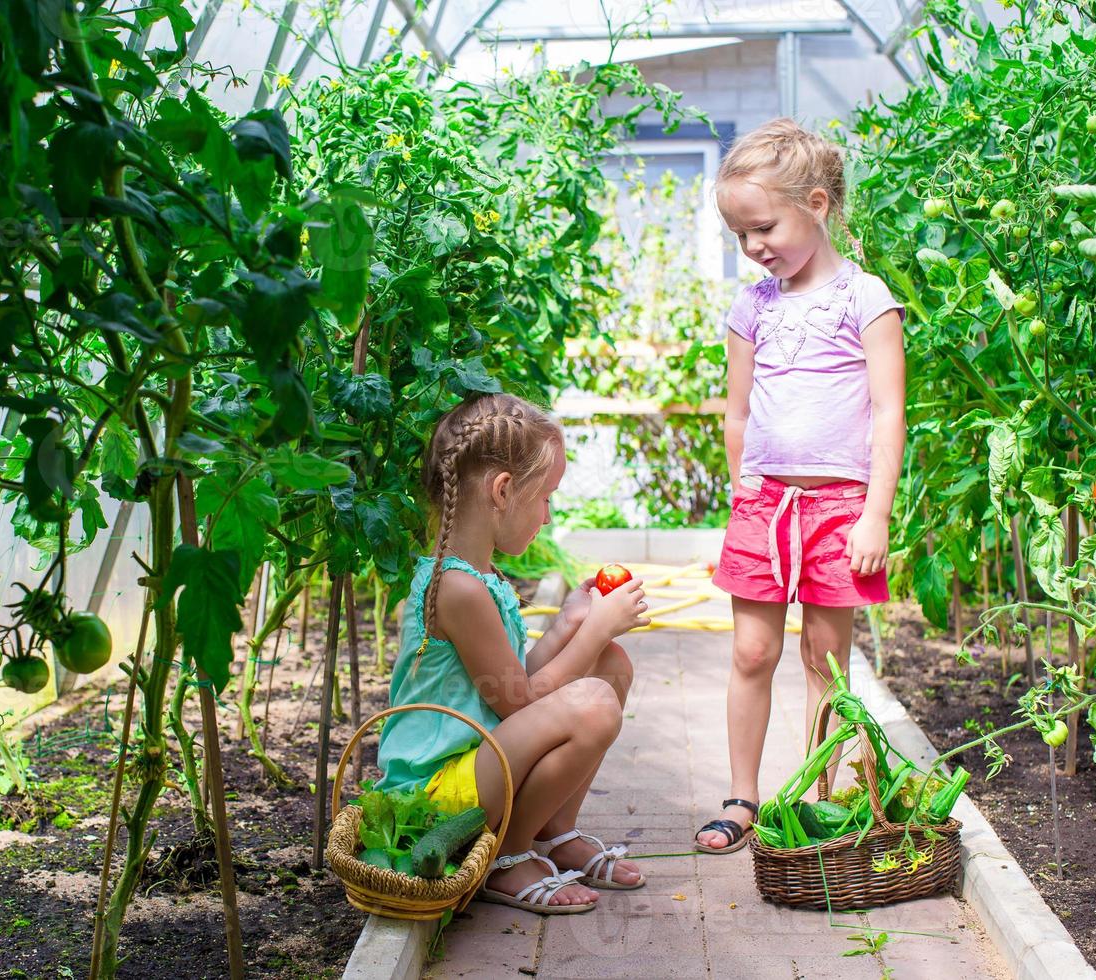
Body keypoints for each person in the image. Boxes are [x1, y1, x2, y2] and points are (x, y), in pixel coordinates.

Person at [695, 118, 907, 853]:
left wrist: (874, 515)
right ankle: (741, 797)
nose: (753, 247)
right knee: (752, 653)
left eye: (762, 227)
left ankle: (827, 799)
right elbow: (738, 409)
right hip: (763, 505)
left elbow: (888, 413)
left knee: (825, 659)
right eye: (740, 235)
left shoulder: (865, 298)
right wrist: (738, 494)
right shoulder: (754, 306)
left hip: (839, 510)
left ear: (816, 203)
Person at [375, 393, 649, 913]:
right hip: (438, 796)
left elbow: (508, 685)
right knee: (591, 700)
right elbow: (521, 706)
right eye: (545, 497)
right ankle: (507, 854)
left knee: (609, 665)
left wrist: (569, 626)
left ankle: (554, 831)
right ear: (503, 491)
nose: (547, 515)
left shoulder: (480, 577)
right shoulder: (458, 589)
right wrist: (593, 630)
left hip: (480, 764)